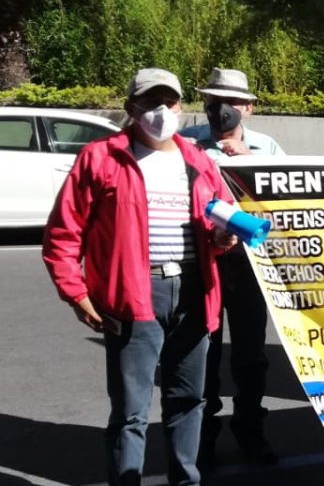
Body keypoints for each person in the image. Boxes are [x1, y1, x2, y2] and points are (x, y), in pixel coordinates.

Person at [42, 68, 237, 486]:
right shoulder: (101, 157)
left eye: (170, 102)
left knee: (189, 401)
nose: (161, 111)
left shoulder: (199, 162)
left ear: (180, 107)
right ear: (131, 107)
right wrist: (76, 294)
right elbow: (63, 234)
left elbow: (217, 227)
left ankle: (186, 480)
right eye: (150, 102)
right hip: (134, 294)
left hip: (195, 293)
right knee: (131, 412)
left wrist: (223, 237)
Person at [180, 68, 283, 466]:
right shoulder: (187, 143)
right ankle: (202, 438)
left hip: (249, 264)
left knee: (250, 354)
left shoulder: (268, 147)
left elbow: (288, 203)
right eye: (213, 100)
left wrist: (252, 163)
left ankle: (250, 430)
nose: (221, 109)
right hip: (202, 260)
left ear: (248, 107)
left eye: (231, 102)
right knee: (201, 352)